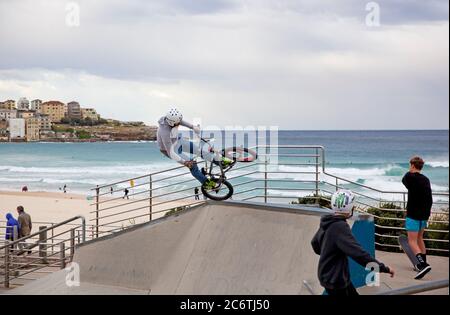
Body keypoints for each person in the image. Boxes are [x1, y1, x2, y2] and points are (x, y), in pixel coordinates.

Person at [311, 190, 394, 296]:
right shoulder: (340, 227)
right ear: (350, 207)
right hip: (335, 279)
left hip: (329, 274)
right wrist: (383, 268)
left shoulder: (328, 221)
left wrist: (329, 253)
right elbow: (359, 254)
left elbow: (315, 244)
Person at [157, 108, 232, 190]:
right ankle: (206, 183)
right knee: (193, 165)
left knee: (200, 151)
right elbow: (170, 152)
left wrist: (193, 127)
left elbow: (181, 121)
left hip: (178, 141)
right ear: (172, 123)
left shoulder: (171, 119)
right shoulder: (164, 132)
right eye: (178, 123)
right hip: (170, 150)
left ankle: (220, 162)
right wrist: (184, 162)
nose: (179, 123)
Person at [402, 156, 433, 279]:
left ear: (413, 165)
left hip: (413, 214)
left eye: (410, 165)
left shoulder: (409, 177)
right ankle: (424, 263)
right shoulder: (426, 179)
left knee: (412, 241)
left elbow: (404, 180)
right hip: (424, 215)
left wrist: (411, 170)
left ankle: (422, 265)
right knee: (420, 238)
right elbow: (429, 198)